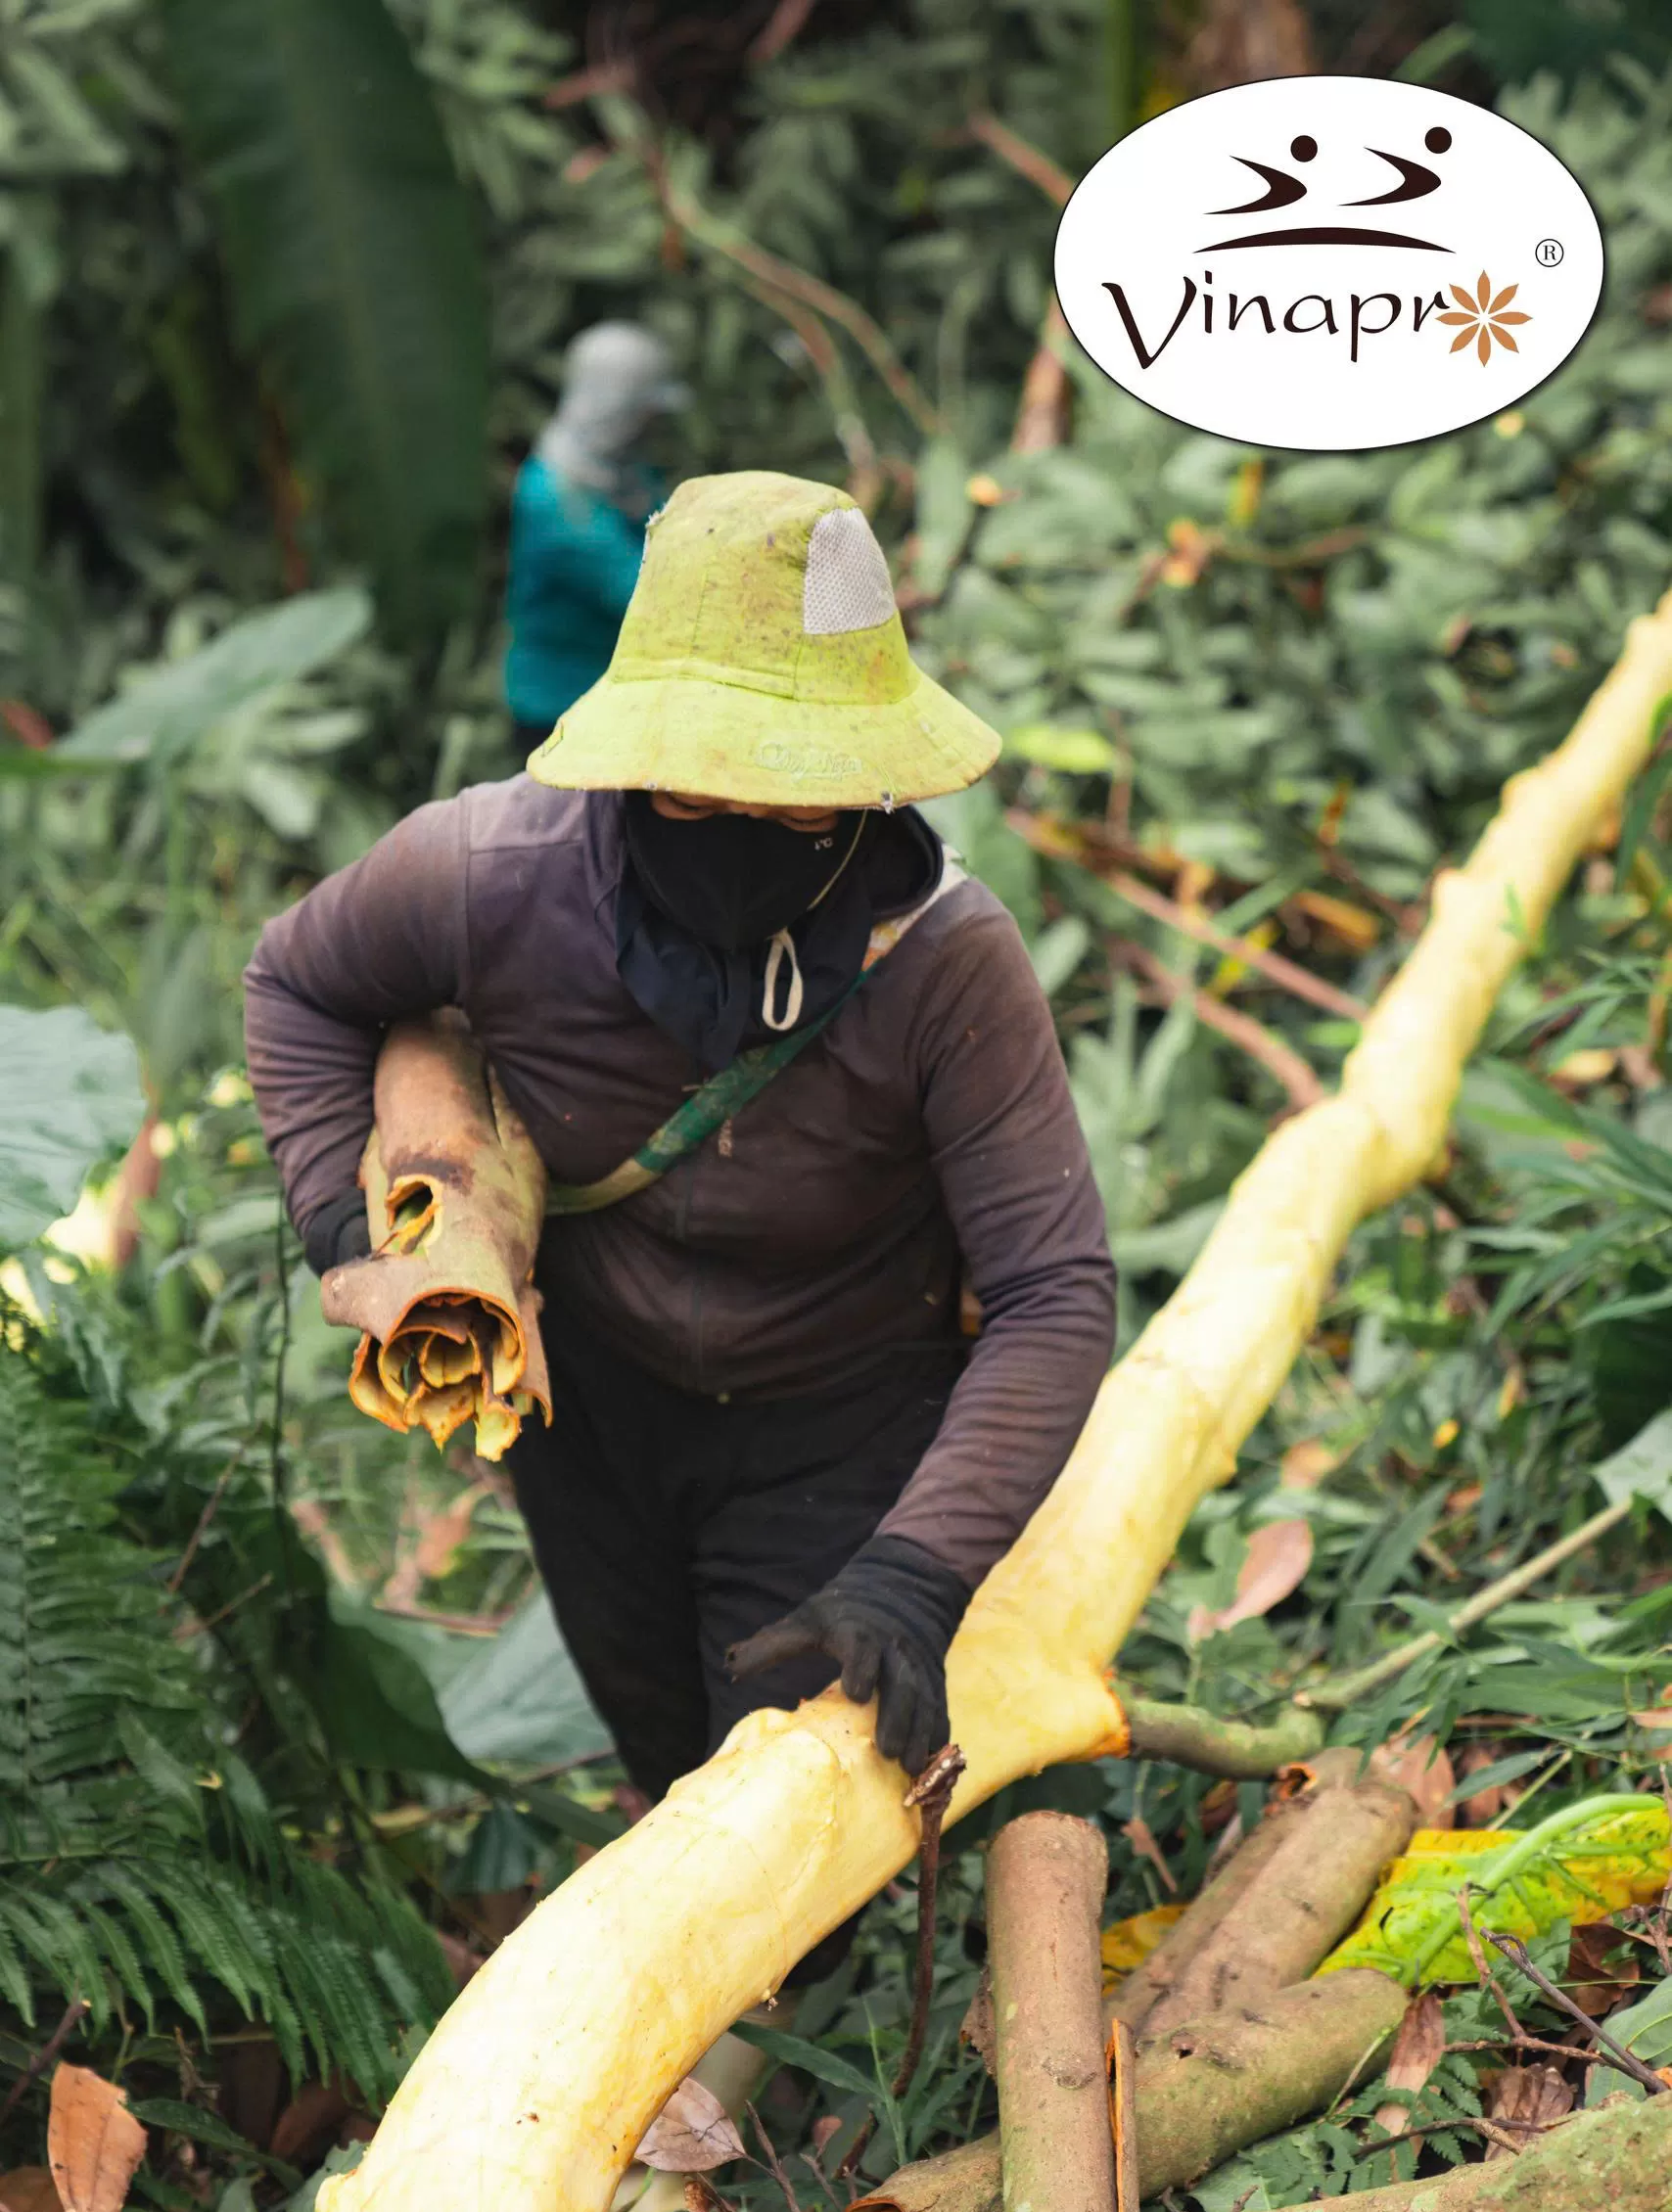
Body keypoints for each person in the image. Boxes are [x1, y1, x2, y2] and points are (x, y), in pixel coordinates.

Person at [245, 470, 1116, 1958]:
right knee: (663, 1746)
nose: (742, 829)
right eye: (701, 793)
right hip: (593, 1412)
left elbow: (1054, 1293)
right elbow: (297, 984)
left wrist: (913, 1571)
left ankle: (789, 2088)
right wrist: (349, 1241)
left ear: (864, 792)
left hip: (841, 1416)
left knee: (777, 1837)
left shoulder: (949, 968)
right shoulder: (489, 876)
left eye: (793, 802)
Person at [502, 321, 683, 751]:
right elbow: (638, 592)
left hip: (612, 699)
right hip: (557, 709)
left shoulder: (624, 475)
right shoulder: (555, 495)